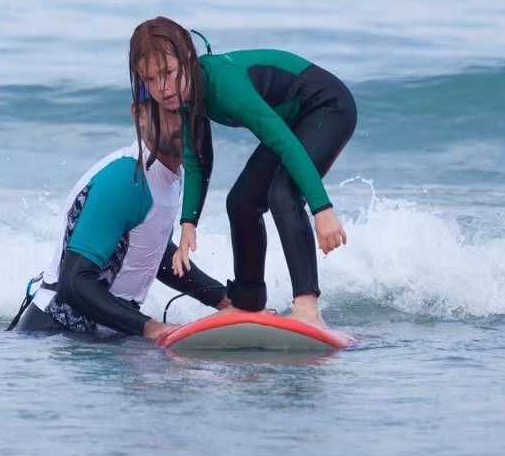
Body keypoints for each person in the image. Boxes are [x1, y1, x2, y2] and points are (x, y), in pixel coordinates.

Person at [128, 16, 356, 327]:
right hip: (290, 121)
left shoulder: (224, 84)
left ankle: (308, 307)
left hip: (326, 107)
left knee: (282, 194)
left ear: (188, 58)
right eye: (150, 80)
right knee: (242, 202)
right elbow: (197, 160)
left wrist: (322, 208)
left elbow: (282, 140)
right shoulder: (182, 95)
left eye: (167, 73)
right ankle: (248, 304)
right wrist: (188, 224)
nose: (161, 88)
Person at [11, 102, 229, 339]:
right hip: (58, 337)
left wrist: (221, 299)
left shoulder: (168, 175)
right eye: (170, 112)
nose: (183, 122)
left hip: (105, 335)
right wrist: (151, 327)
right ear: (140, 116)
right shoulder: (127, 178)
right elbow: (73, 283)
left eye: (189, 112)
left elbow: (154, 252)